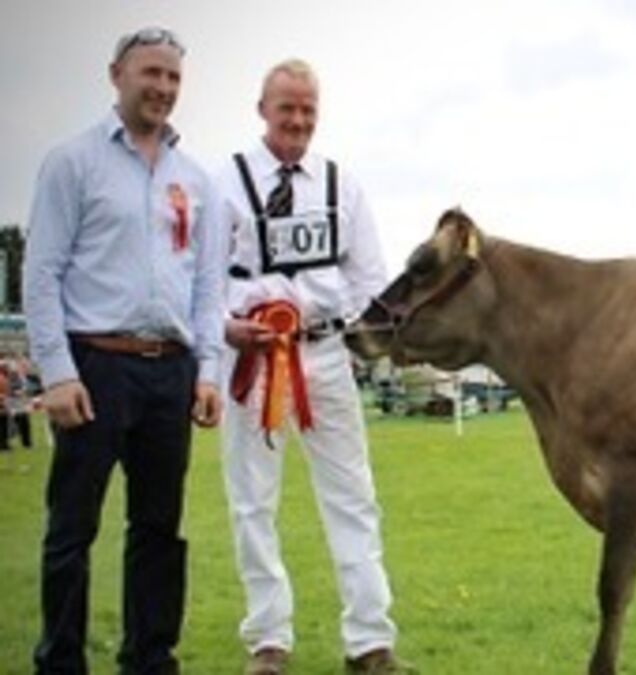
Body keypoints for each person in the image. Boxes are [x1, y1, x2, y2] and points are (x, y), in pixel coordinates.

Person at [22, 26, 224, 674]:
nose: (163, 87)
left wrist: (208, 373)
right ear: (117, 76)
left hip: (170, 369)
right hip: (95, 366)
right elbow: (41, 272)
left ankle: (150, 659)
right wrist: (57, 372)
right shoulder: (72, 162)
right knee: (72, 528)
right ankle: (61, 661)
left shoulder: (197, 181)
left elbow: (208, 287)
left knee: (160, 529)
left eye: (173, 77)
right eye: (150, 73)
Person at [215, 59, 406, 675]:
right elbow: (200, 278)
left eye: (308, 110)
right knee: (252, 500)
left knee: (353, 496)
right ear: (262, 110)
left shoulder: (340, 185)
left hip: (324, 353)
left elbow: (369, 278)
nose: (298, 120)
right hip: (250, 357)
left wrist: (349, 336)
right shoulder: (225, 183)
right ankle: (267, 640)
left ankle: (369, 642)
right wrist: (224, 326)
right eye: (287, 108)